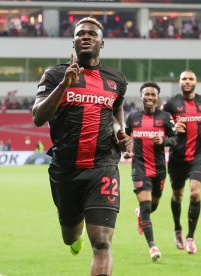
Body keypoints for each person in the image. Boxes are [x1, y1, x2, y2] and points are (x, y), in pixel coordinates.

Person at [32, 17, 130, 276]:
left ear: (102, 42)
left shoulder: (116, 79)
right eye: (80, 34)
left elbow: (117, 108)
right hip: (66, 169)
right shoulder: (54, 75)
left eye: (91, 34)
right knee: (69, 235)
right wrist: (64, 85)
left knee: (102, 241)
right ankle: (74, 237)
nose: (85, 37)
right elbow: (38, 117)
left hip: (103, 167)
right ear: (74, 42)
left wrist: (121, 131)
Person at [162, 70, 201, 254]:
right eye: (184, 79)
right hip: (177, 157)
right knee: (177, 195)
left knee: (195, 194)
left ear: (196, 82)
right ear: (179, 82)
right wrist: (172, 127)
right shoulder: (171, 104)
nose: (187, 81)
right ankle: (178, 229)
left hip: (198, 155)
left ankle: (190, 237)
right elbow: (161, 124)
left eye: (191, 78)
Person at [124, 81, 178, 261]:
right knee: (146, 206)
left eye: (153, 94)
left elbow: (175, 139)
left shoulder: (165, 117)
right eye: (146, 94)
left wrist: (164, 141)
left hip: (159, 170)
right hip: (139, 168)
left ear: (157, 98)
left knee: (152, 206)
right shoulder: (132, 117)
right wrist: (125, 150)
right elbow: (124, 137)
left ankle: (140, 214)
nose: (149, 97)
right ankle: (153, 246)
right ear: (141, 96)